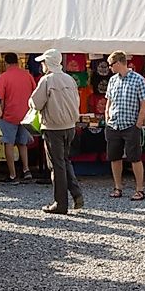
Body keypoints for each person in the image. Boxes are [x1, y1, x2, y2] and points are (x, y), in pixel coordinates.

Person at [29, 49, 84, 214]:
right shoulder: (69, 79)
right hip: (69, 126)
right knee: (64, 161)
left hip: (53, 127)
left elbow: (35, 103)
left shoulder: (47, 80)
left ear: (48, 63)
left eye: (43, 62)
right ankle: (76, 194)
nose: (42, 65)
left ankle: (60, 203)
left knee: (57, 166)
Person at [105, 51, 145, 201]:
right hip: (114, 124)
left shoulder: (139, 79)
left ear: (118, 63)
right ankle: (118, 187)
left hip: (131, 125)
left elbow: (144, 104)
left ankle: (140, 189)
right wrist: (107, 117)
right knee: (114, 157)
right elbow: (108, 101)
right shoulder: (112, 80)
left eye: (111, 64)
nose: (110, 68)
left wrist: (138, 124)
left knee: (135, 158)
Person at [0, 52, 37, 183]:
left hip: (9, 115)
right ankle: (26, 170)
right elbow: (34, 93)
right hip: (26, 114)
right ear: (18, 61)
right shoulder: (27, 75)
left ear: (6, 62)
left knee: (9, 143)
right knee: (22, 143)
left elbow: (0, 98)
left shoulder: (3, 77)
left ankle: (12, 174)